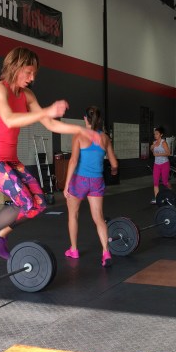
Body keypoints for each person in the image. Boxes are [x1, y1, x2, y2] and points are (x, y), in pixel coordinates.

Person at [0, 46, 92, 269]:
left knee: (38, 204)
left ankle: (0, 236)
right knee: (24, 201)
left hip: (10, 160)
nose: (32, 78)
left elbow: (50, 124)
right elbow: (9, 119)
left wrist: (79, 130)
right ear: (15, 67)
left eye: (34, 73)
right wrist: (46, 110)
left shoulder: (27, 95)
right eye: (28, 72)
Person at [63, 106, 118, 267]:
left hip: (79, 181)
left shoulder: (79, 136)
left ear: (85, 118)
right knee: (99, 218)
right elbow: (114, 164)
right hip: (97, 181)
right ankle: (106, 253)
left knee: (73, 215)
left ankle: (74, 250)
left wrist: (66, 185)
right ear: (99, 120)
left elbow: (73, 161)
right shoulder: (105, 138)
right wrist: (113, 171)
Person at [150, 125, 171, 204]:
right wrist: (152, 147)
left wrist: (158, 154)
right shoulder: (154, 142)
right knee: (155, 182)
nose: (155, 135)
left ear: (161, 134)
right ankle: (157, 198)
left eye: (157, 134)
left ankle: (171, 192)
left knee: (165, 182)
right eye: (154, 134)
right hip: (156, 164)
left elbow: (168, 153)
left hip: (164, 164)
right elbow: (152, 150)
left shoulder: (163, 142)